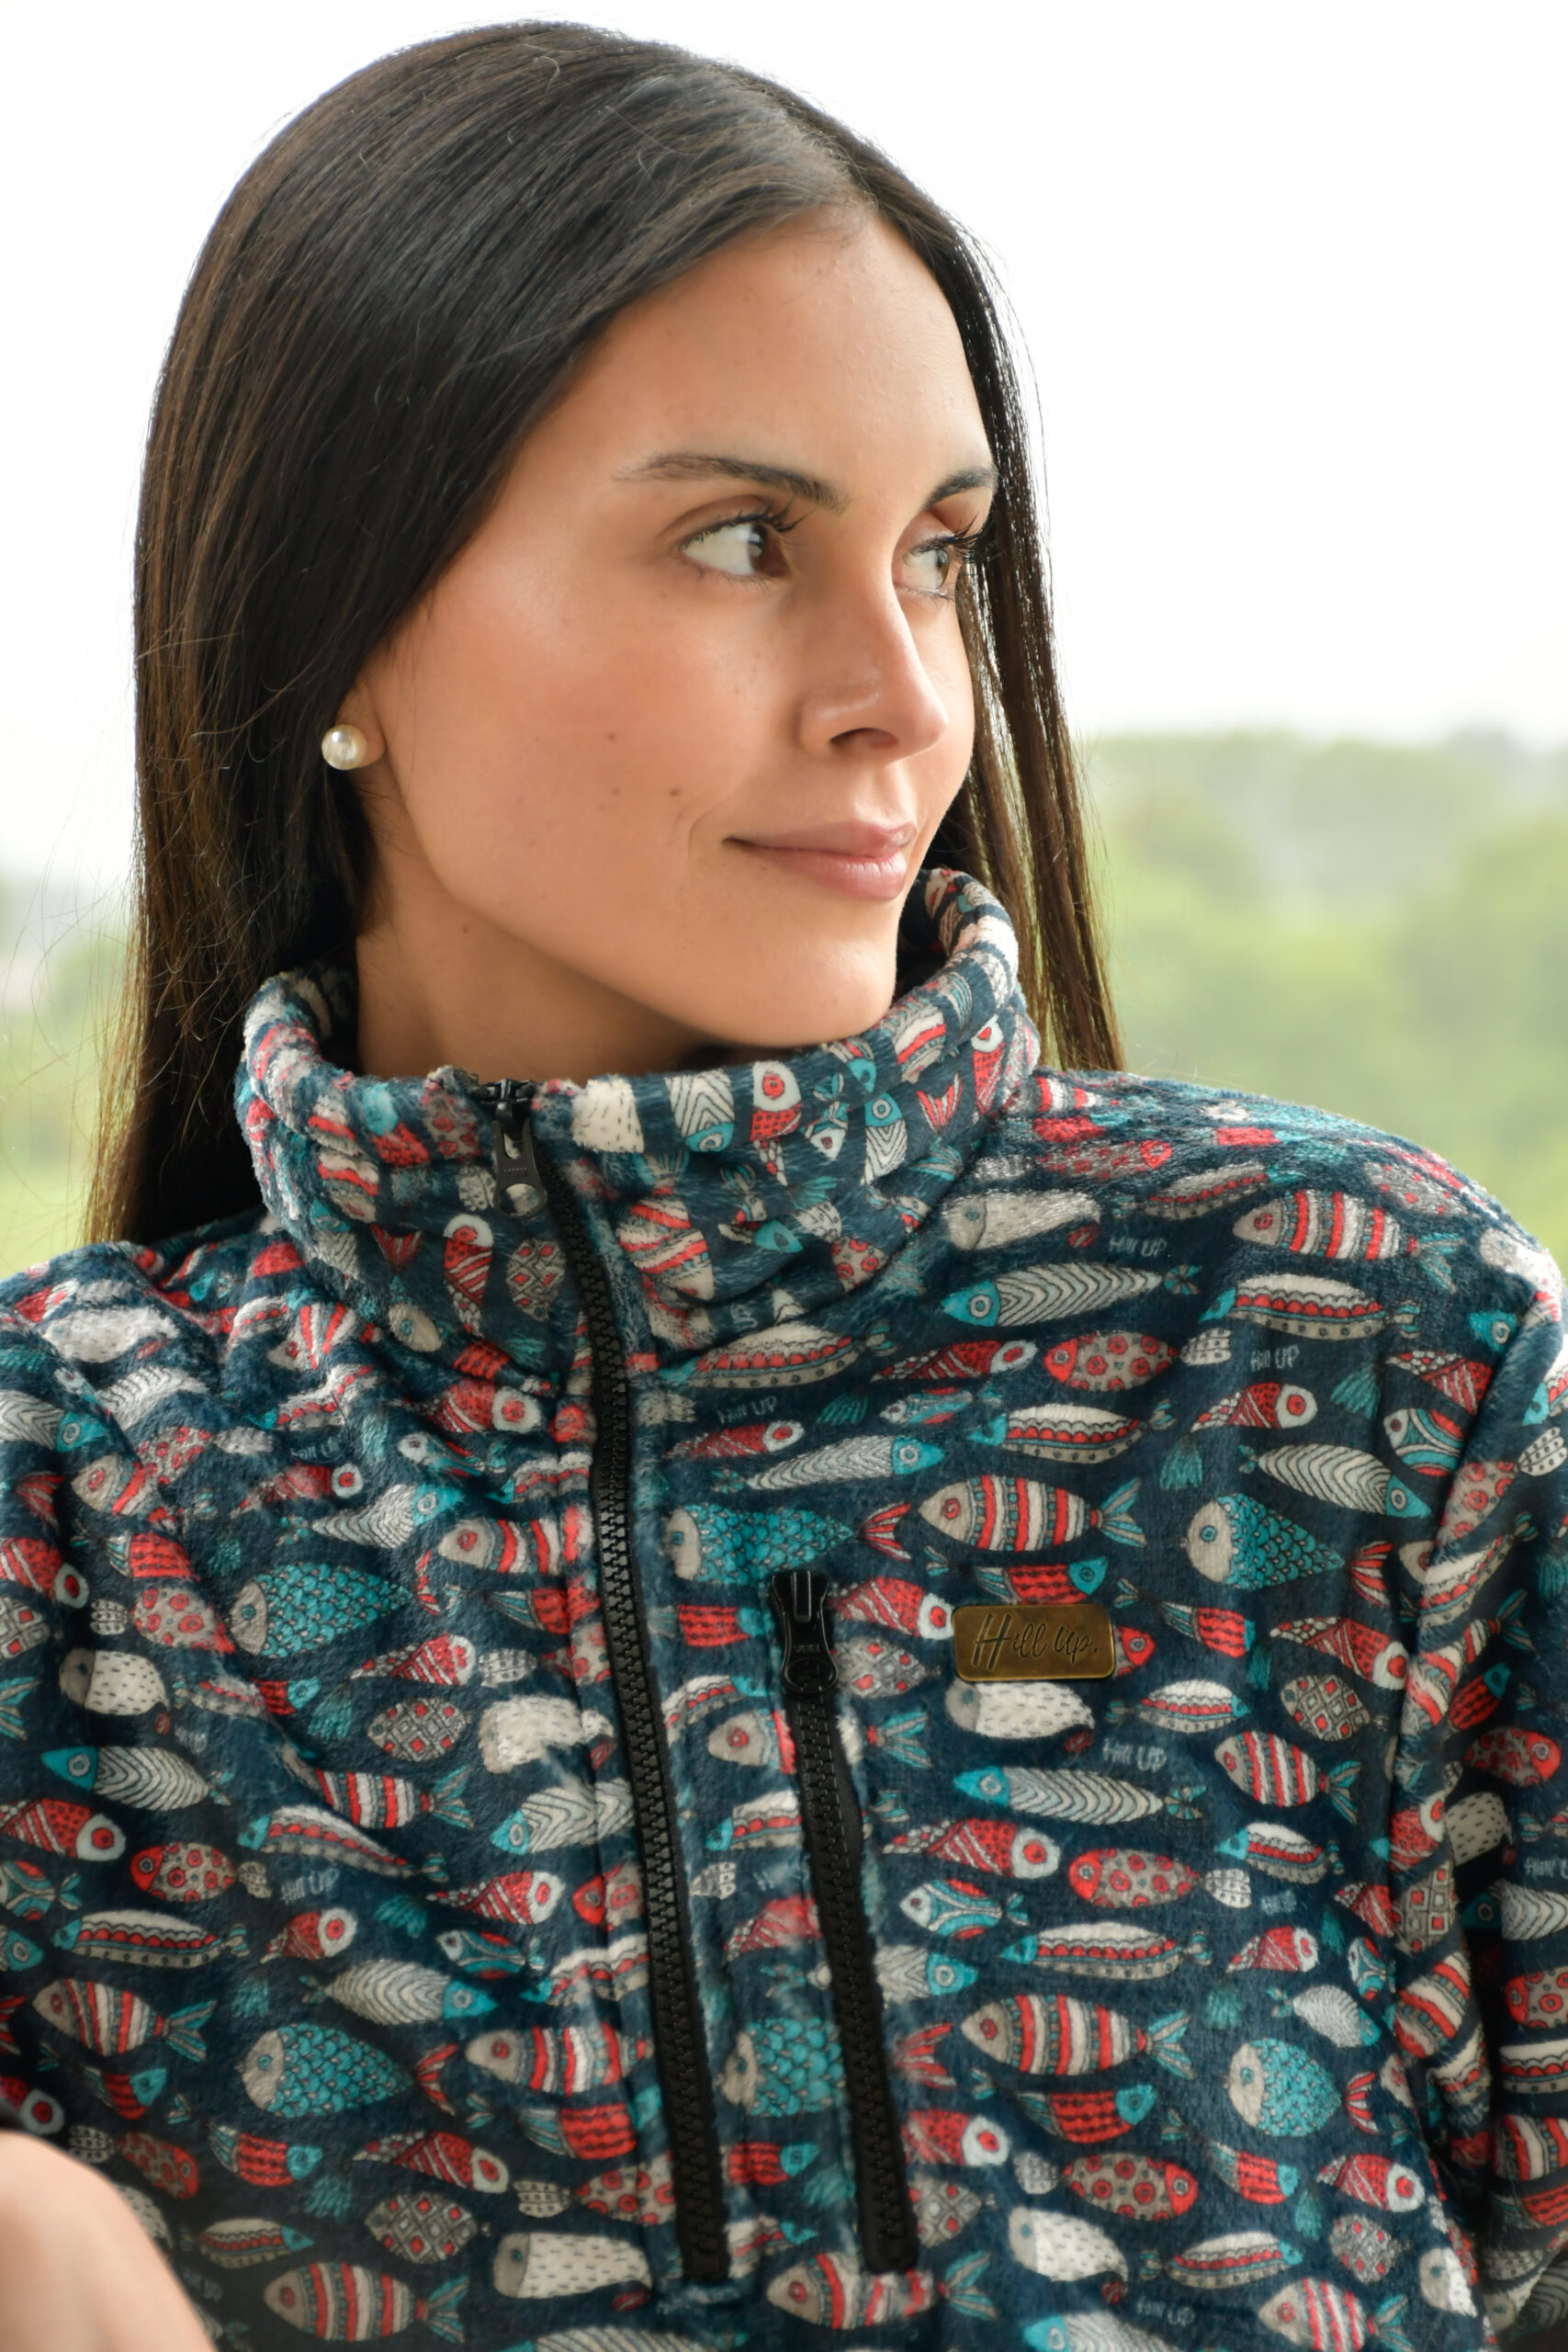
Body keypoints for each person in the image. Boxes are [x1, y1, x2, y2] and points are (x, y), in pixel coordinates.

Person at [0, 21, 1564, 2351]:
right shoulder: (58, 1491)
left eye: (938, 553)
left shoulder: (1350, 1339)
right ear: (339, 626)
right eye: (739, 539)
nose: (901, 695)